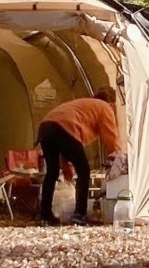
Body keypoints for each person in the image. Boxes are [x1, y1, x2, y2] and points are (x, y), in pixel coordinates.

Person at [37, 94, 122, 225]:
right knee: (84, 172)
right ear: (111, 103)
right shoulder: (104, 107)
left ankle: (45, 215)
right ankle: (80, 214)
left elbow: (65, 143)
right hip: (65, 127)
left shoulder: (84, 105)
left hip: (45, 127)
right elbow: (110, 134)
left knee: (52, 172)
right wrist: (117, 156)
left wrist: (66, 167)